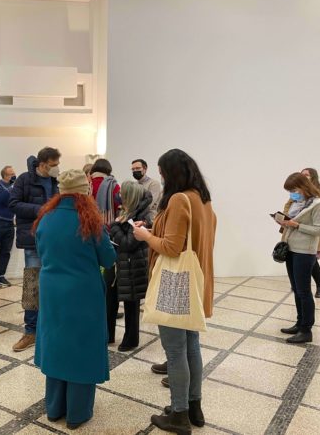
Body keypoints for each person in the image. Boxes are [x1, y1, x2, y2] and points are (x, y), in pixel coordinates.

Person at [133, 149, 216, 434]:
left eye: (162, 171)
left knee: (176, 349)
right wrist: (155, 228)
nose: (160, 177)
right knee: (191, 345)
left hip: (175, 285)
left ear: (172, 173)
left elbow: (171, 247)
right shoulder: (203, 200)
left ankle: (179, 414)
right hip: (194, 282)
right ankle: (193, 406)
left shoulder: (180, 199)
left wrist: (145, 236)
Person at [34, 169, 116, 430]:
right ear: (86, 191)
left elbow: (41, 251)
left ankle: (55, 407)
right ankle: (77, 413)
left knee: (56, 343)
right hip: (83, 293)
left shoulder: (45, 218)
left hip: (51, 292)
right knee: (81, 347)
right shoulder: (90, 221)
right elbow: (108, 259)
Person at [9, 147, 61, 352]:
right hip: (32, 239)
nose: (57, 169)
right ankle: (30, 331)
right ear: (42, 164)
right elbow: (13, 204)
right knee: (33, 285)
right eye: (53, 165)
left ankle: (49, 329)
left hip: (54, 239)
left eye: (58, 164)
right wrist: (40, 210)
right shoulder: (24, 179)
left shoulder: (55, 182)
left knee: (52, 285)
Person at [275, 172, 320, 344]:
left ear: (303, 187)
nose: (292, 194)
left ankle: (306, 330)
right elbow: (294, 223)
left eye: (293, 189)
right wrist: (284, 222)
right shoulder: (298, 203)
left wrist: (296, 225)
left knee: (304, 291)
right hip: (291, 249)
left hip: (305, 252)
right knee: (296, 289)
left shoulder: (318, 204)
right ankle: (299, 323)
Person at [109, 181, 152, 351]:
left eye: (123, 194)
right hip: (122, 264)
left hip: (134, 265)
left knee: (131, 304)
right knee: (114, 300)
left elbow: (128, 243)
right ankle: (110, 335)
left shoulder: (142, 217)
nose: (119, 196)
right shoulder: (127, 212)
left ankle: (131, 339)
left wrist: (114, 226)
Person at [89, 158, 123, 336]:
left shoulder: (88, 183)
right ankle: (106, 307)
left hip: (87, 231)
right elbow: (119, 207)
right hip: (108, 232)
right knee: (108, 272)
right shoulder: (113, 185)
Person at [302, 168, 320, 298]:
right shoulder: (297, 190)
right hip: (297, 231)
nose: (304, 177)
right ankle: (300, 284)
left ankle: (319, 287)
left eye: (306, 175)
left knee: (313, 262)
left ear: (313, 177)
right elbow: (288, 205)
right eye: (302, 175)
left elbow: (319, 211)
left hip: (312, 231)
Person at [0, 165, 16, 287]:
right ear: (5, 175)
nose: (14, 176)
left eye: (14, 173)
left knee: (6, 251)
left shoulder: (14, 188)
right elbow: (2, 199)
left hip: (10, 223)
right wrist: (12, 187)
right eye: (11, 174)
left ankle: (1, 275)